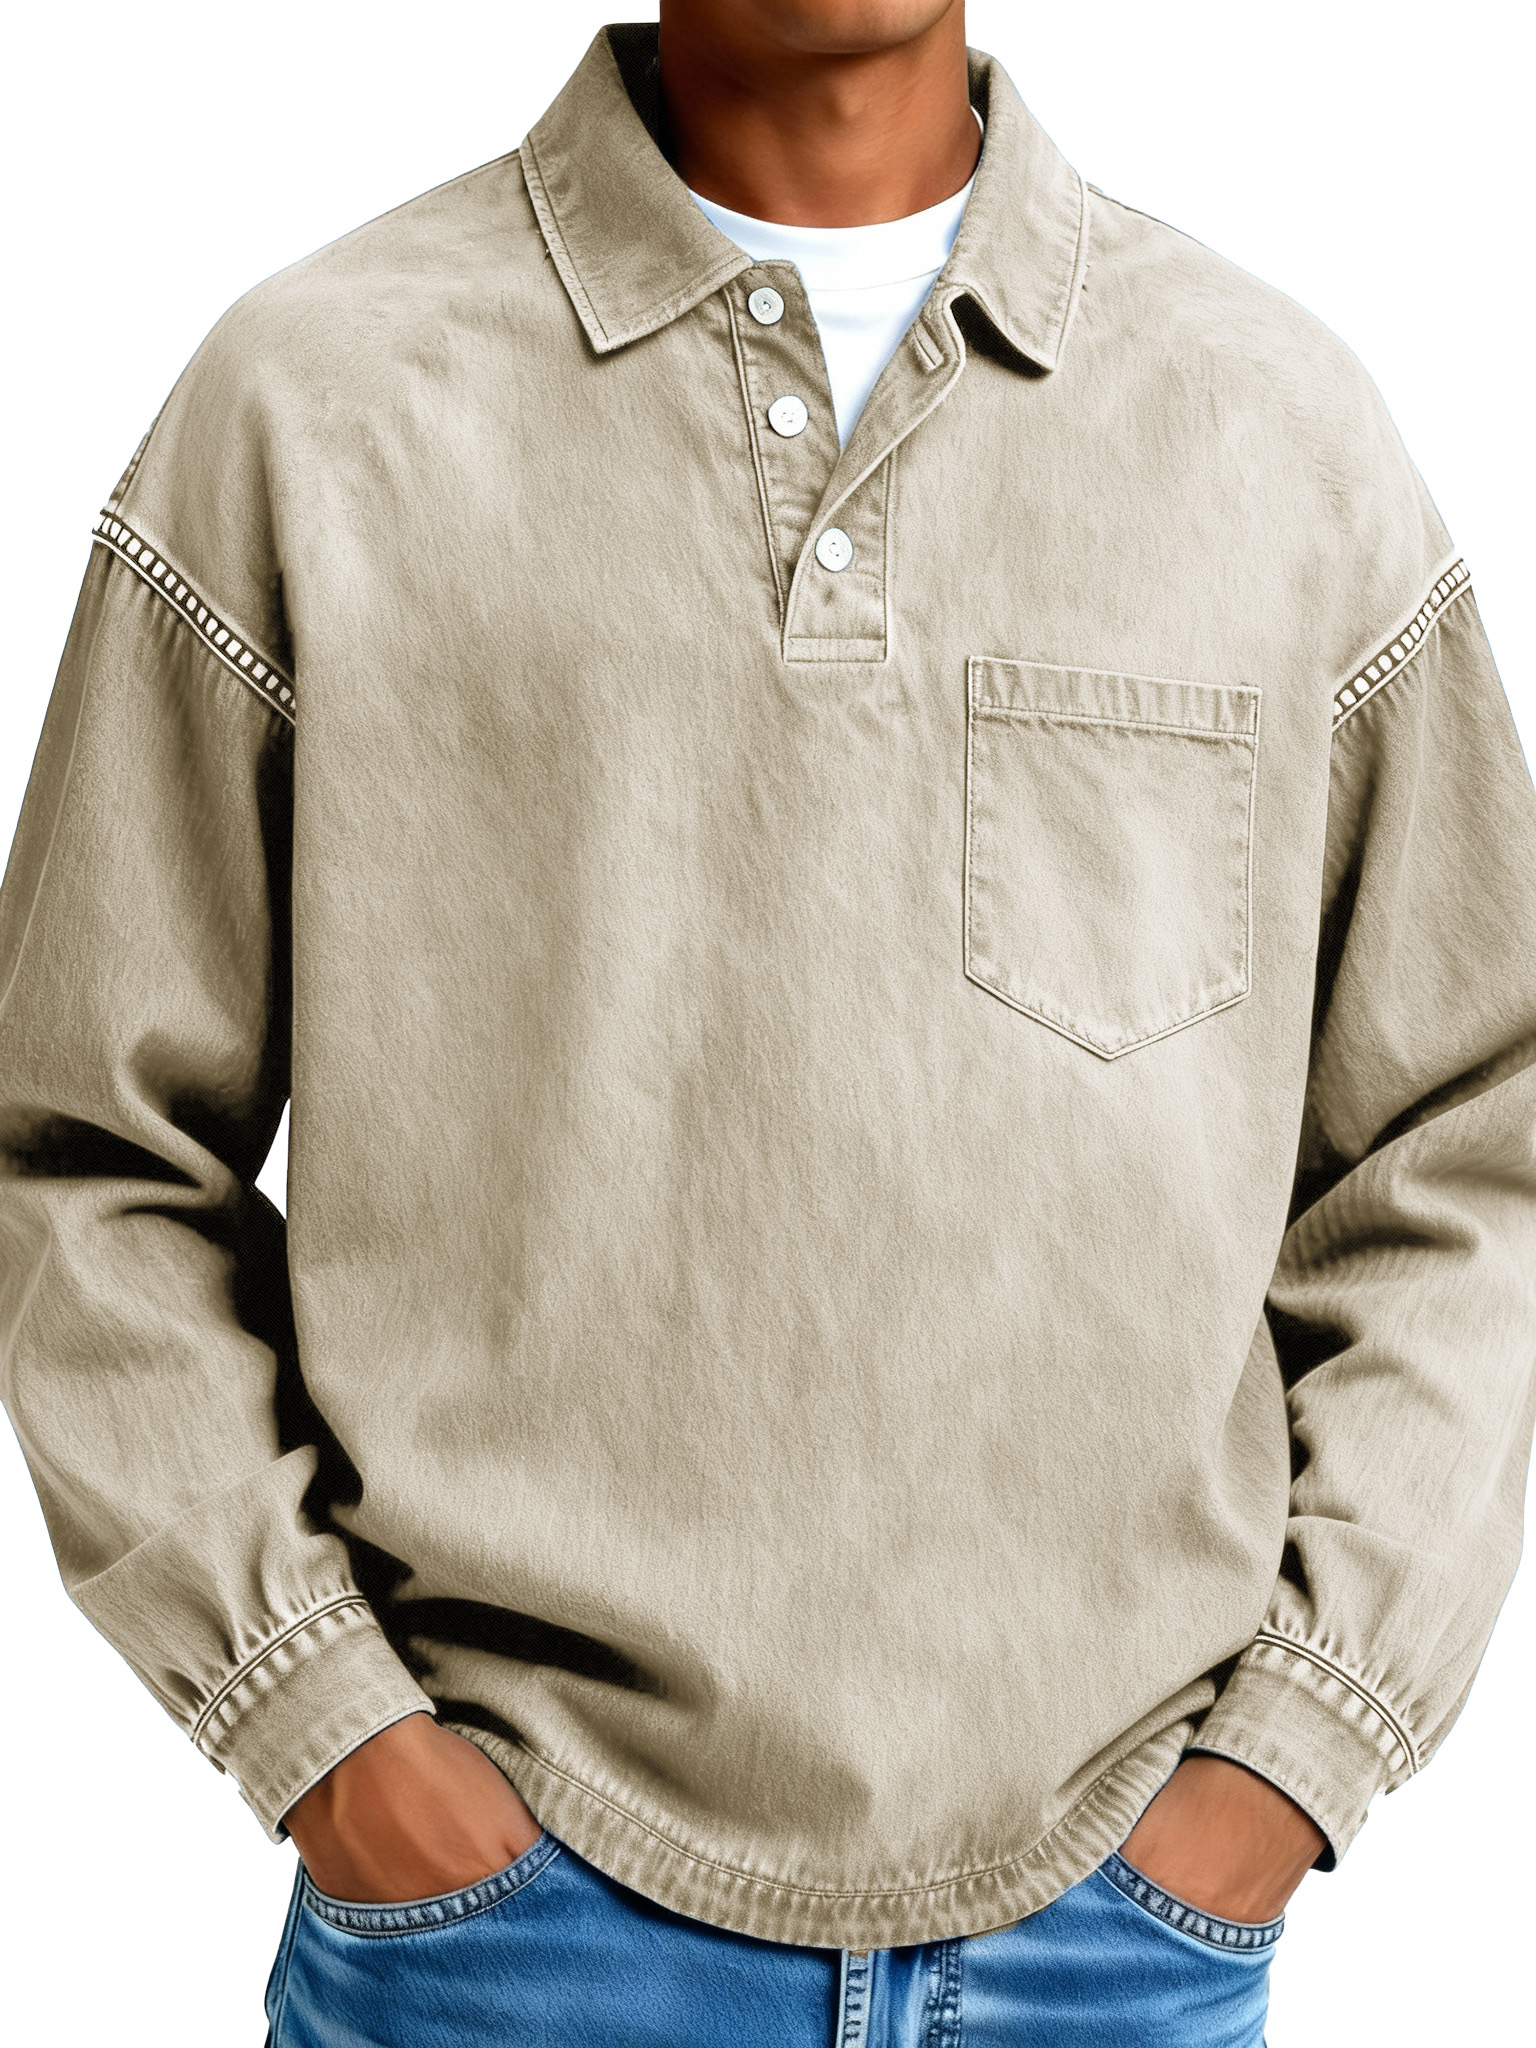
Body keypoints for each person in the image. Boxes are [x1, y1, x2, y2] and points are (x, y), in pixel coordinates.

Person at [2, 4, 1533, 2042]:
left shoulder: (1276, 436)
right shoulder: (310, 404)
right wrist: (327, 1728)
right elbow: (76, 1145)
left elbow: (1474, 1144)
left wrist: (1292, 1757)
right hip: (499, 1947)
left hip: (1118, 1943)